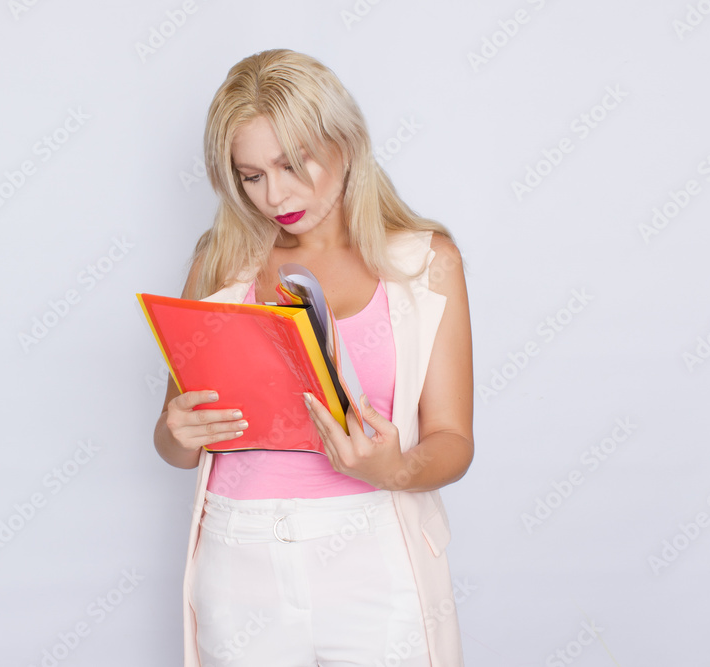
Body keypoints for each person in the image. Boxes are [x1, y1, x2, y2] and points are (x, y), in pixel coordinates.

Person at [153, 48, 474, 667]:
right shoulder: (219, 265)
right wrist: (177, 432)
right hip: (238, 557)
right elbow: (174, 445)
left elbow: (453, 439)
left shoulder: (426, 263)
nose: (275, 195)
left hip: (374, 552)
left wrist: (394, 469)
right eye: (251, 176)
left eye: (293, 164)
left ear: (346, 144)